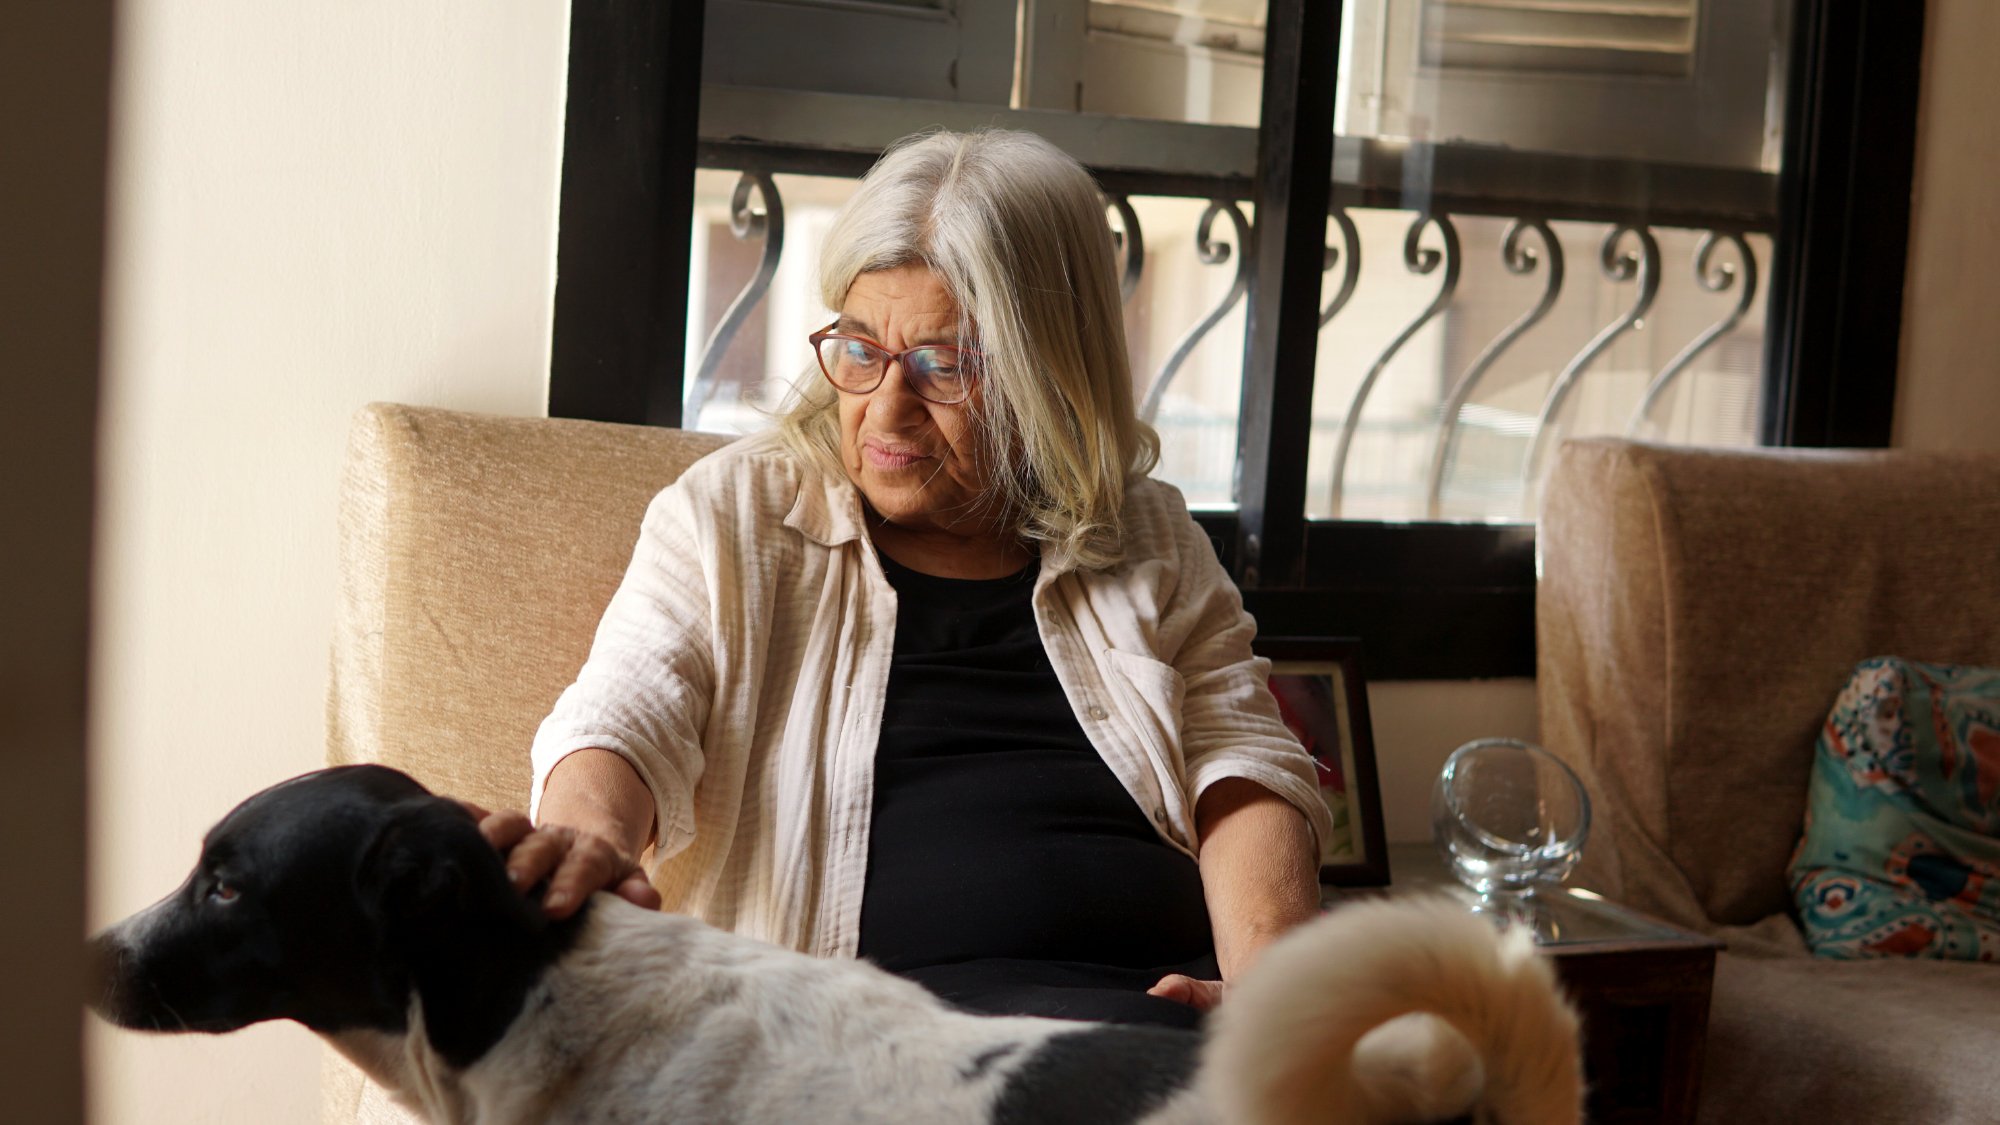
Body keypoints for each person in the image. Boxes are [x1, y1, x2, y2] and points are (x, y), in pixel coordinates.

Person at [475, 128, 1332, 1030]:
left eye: (944, 364)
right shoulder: (734, 515)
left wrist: (1273, 999)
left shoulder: (1146, 533)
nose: (885, 408)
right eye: (859, 348)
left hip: (1154, 1025)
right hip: (880, 1047)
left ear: (1049, 373)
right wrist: (585, 843)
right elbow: (626, 714)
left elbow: (1243, 766)